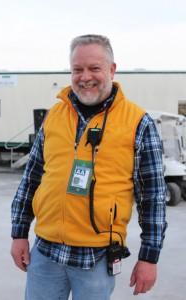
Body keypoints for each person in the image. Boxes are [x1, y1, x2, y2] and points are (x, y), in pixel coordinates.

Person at [11, 34, 167, 300]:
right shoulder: (53, 116)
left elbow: (152, 197)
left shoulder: (138, 123)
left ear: (112, 70)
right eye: (77, 69)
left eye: (94, 68)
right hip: (45, 254)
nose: (85, 77)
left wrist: (149, 258)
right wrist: (19, 233)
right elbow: (31, 180)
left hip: (97, 258)